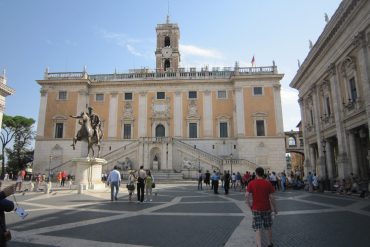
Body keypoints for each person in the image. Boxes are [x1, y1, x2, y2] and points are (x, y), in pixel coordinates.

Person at [245, 167, 277, 247]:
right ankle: (269, 243)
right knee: (268, 227)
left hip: (256, 209)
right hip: (266, 208)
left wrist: (249, 206)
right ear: (263, 174)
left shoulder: (251, 183)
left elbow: (246, 196)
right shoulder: (268, 183)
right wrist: (275, 208)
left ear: (256, 174)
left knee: (258, 228)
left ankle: (259, 245)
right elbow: (272, 197)